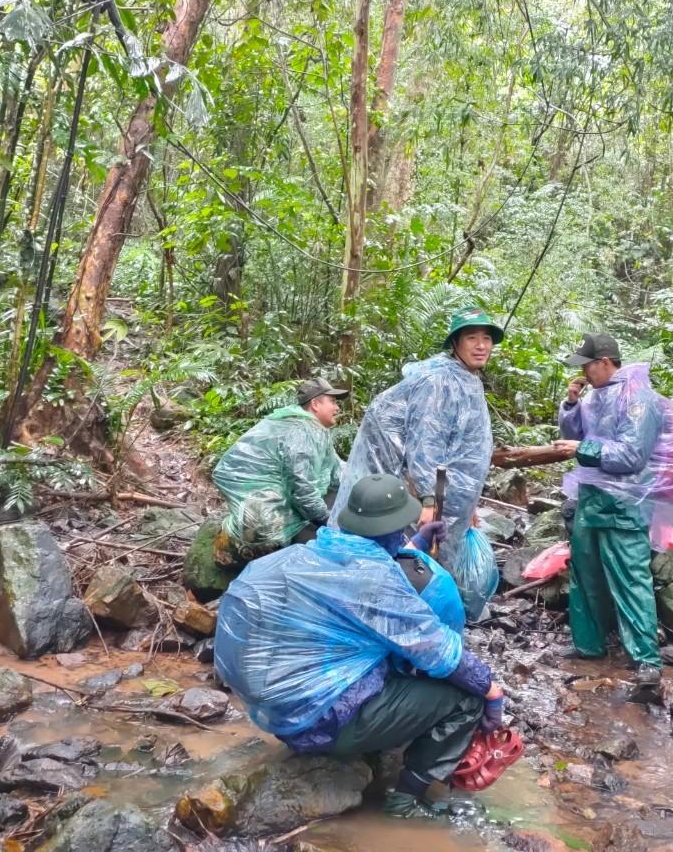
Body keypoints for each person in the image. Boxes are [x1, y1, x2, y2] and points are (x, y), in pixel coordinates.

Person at [215, 474, 505, 819]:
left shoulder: (303, 555)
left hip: (275, 713)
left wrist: (415, 545)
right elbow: (440, 652)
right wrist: (491, 693)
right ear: (396, 527)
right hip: (320, 721)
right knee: (464, 697)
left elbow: (362, 565)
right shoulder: (377, 583)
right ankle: (405, 803)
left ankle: (367, 749)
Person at [551, 333, 673, 692]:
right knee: (585, 573)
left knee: (630, 579)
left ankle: (646, 659)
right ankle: (588, 645)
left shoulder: (639, 400)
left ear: (605, 362)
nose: (584, 374)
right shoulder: (594, 397)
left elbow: (630, 457)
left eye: (588, 366)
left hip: (626, 504)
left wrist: (583, 449)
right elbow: (574, 436)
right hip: (592, 498)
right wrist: (572, 405)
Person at [330, 307, 503, 619]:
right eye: (472, 338)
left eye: (487, 338)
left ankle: (432, 616)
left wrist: (469, 504)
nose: (481, 345)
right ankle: (410, 622)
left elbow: (462, 447)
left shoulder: (466, 377)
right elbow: (425, 449)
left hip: (444, 493)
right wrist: (426, 501)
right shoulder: (439, 381)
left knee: (433, 558)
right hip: (410, 490)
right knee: (410, 558)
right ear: (455, 344)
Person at [211, 377, 346, 563]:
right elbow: (301, 488)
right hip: (268, 520)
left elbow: (337, 470)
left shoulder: (309, 429)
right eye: (332, 401)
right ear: (315, 404)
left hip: (265, 508)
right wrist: (328, 521)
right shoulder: (302, 431)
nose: (337, 408)